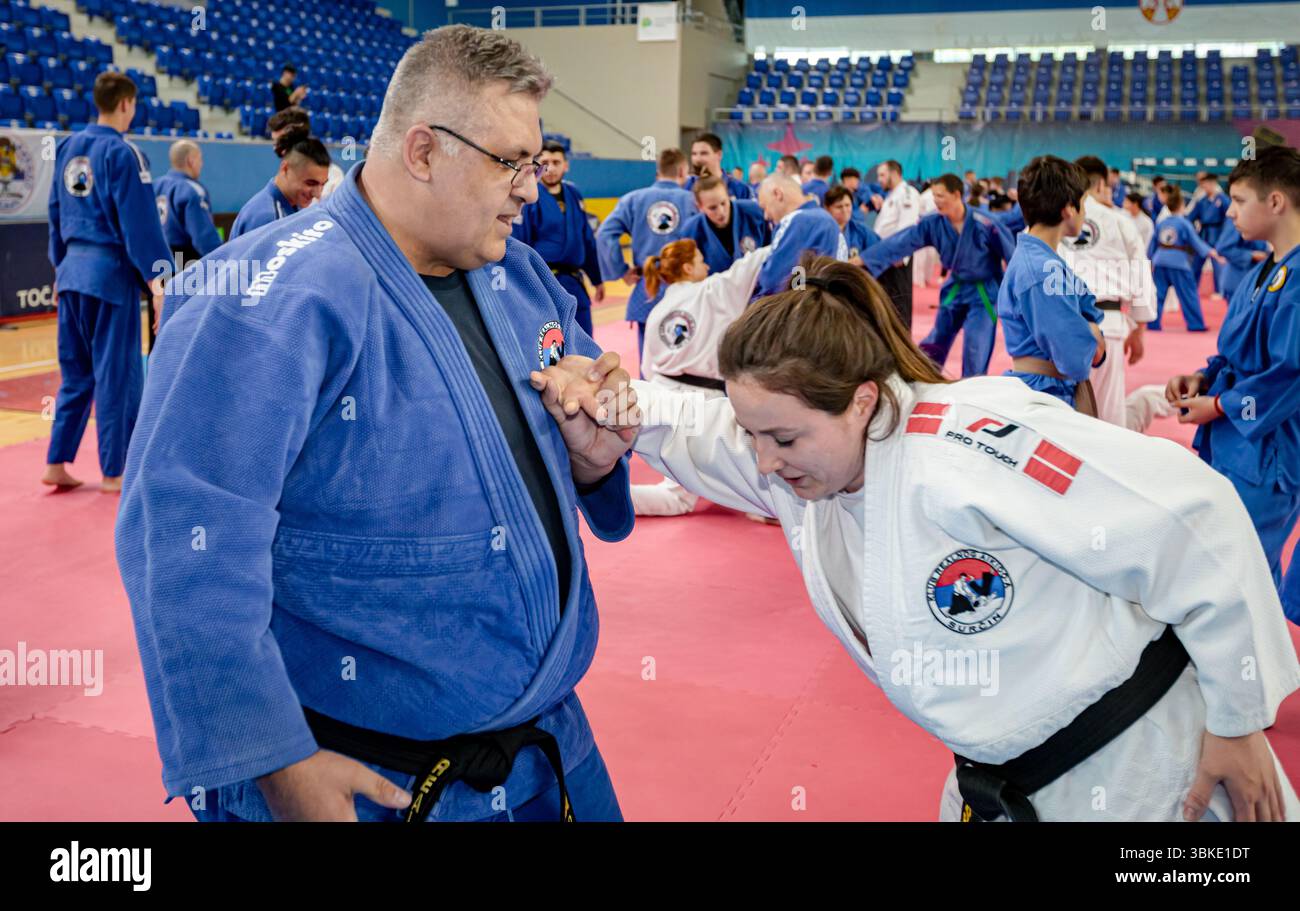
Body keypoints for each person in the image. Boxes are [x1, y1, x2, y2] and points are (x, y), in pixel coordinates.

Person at [534, 254, 1300, 822]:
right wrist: (616, 401)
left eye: (783, 438)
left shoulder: (977, 442)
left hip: (1155, 771)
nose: (765, 462)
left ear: (863, 401)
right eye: (754, 433)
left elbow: (1195, 514)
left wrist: (1237, 720)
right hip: (1004, 782)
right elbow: (699, 425)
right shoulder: (813, 457)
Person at [116, 24, 635, 824]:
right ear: (423, 151)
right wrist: (277, 761)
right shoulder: (261, 297)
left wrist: (594, 457)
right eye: (511, 162)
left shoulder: (520, 276)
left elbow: (567, 438)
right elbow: (185, 540)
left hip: (546, 747)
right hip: (372, 780)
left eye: (536, 162)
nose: (530, 188)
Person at [1165, 144, 1300, 617]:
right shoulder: (1268, 266)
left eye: (1240, 200)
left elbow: (1292, 374)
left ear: (1276, 202)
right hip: (1235, 440)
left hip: (1269, 445)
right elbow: (1237, 351)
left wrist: (1222, 406)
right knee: (1229, 559)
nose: (1229, 210)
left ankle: (1252, 679)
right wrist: (1203, 377)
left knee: (1245, 572)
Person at [43, 71, 171, 493]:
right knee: (116, 375)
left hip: (71, 273)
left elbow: (55, 216)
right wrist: (158, 278)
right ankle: (114, 472)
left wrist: (59, 268)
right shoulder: (123, 154)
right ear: (125, 104)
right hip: (109, 275)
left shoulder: (67, 148)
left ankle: (56, 462)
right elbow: (140, 224)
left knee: (76, 374)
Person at [631, 237, 771, 516]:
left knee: (695, 472)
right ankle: (611, 499)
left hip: (661, 396)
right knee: (679, 498)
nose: (706, 265)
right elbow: (751, 263)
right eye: (700, 261)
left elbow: (647, 367)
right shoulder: (713, 291)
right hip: (701, 401)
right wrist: (786, 228)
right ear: (687, 268)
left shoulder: (658, 310)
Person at [863, 173, 1016, 377]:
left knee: (976, 348)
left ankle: (971, 395)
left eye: (941, 196)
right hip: (955, 287)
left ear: (957, 195)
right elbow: (901, 241)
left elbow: (1012, 258)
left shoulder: (986, 223)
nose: (936, 201)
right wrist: (866, 259)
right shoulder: (933, 223)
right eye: (934, 196)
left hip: (983, 293)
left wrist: (1015, 298)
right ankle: (922, 377)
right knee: (936, 339)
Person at [998, 155, 1105, 412]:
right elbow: (1076, 358)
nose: (1085, 212)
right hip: (1046, 398)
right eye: (1083, 203)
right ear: (1069, 208)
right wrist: (1091, 333)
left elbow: (1090, 308)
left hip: (1049, 391)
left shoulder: (1043, 260)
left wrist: (1089, 329)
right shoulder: (1040, 271)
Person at [1059, 156, 1158, 427]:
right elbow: (1141, 274)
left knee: (1062, 412)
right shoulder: (1120, 221)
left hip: (1058, 323)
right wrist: (1139, 330)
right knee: (1107, 415)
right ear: (1102, 183)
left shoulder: (1054, 217)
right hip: (1108, 323)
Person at [595, 147, 696, 359]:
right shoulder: (693, 200)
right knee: (685, 354)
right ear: (681, 172)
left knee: (649, 357)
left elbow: (605, 234)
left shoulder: (634, 199)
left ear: (658, 171)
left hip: (648, 286)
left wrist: (621, 271)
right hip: (687, 288)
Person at [511, 140, 605, 337]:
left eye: (556, 162)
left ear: (566, 165)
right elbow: (519, 244)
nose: (551, 168)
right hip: (543, 283)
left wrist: (597, 279)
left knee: (585, 344)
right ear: (538, 164)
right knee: (549, 347)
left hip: (575, 284)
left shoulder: (574, 194)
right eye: (545, 162)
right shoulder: (530, 197)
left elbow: (587, 240)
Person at [152, 140, 222, 349]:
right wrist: (223, 261)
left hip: (157, 262)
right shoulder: (192, 190)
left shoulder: (155, 186)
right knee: (186, 329)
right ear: (191, 160)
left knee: (158, 325)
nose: (201, 164)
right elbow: (203, 238)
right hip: (185, 264)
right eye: (200, 159)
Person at [752, 172, 847, 299]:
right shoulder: (825, 221)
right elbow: (799, 280)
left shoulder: (800, 220)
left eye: (765, 207)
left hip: (804, 312)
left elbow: (772, 282)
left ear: (777, 194)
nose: (766, 216)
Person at [228, 126, 331, 240]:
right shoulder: (266, 218)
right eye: (310, 183)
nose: (317, 194)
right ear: (285, 169)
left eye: (323, 184)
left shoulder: (294, 206)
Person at [1146, 184, 1225, 332]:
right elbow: (1197, 243)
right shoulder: (1184, 223)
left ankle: (1153, 324)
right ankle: (1195, 324)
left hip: (1160, 261)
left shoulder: (1161, 223)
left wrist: (1149, 261)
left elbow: (1152, 246)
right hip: (1178, 262)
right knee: (1188, 294)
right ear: (1182, 205)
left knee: (1158, 295)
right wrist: (1213, 253)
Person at [680, 174, 769, 275]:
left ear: (728, 196)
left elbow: (773, 248)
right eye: (712, 208)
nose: (721, 212)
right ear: (699, 207)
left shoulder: (754, 213)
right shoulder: (691, 231)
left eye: (723, 203)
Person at [870, 159, 921, 327]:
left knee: (900, 308)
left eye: (882, 175)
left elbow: (907, 227)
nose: (879, 179)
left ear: (894, 173)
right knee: (888, 305)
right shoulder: (893, 194)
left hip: (896, 260)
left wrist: (900, 255)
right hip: (885, 258)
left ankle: (903, 349)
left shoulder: (908, 193)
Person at [1190, 172, 1231, 298]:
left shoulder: (1223, 199)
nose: (1205, 187)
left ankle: (1219, 291)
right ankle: (1192, 288)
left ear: (1213, 184)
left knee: (1218, 265)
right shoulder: (1201, 201)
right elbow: (1191, 217)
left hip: (1218, 234)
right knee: (1196, 263)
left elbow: (1229, 218)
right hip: (1203, 235)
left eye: (1207, 184)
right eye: (1203, 184)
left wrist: (1225, 236)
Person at [685, 131, 752, 199]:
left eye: (704, 153)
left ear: (719, 155)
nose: (698, 159)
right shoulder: (686, 186)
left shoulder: (740, 189)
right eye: (694, 154)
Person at [824, 185, 879, 267]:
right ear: (827, 209)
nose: (844, 210)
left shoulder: (861, 230)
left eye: (847, 205)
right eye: (839, 207)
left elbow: (878, 252)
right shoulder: (822, 232)